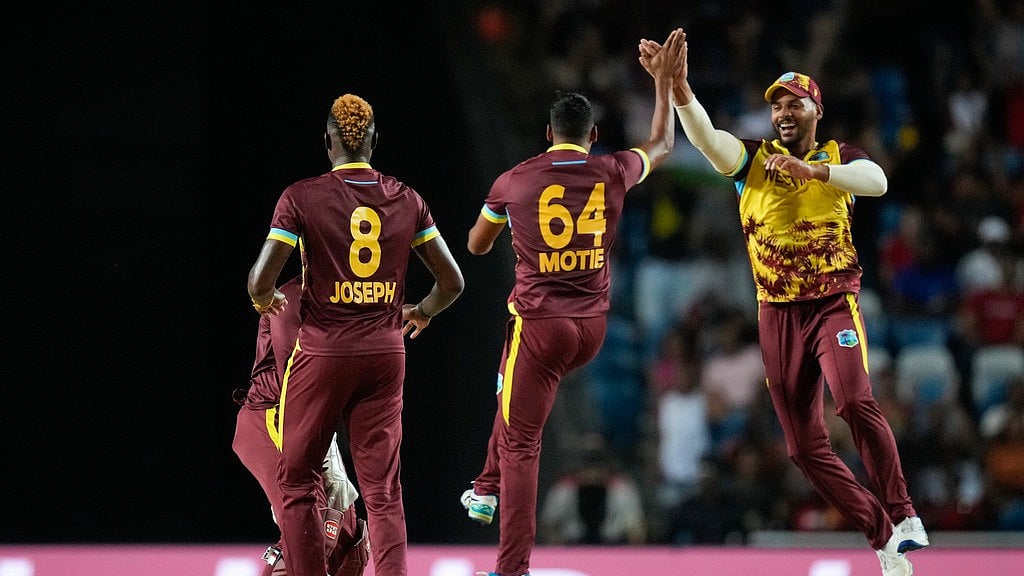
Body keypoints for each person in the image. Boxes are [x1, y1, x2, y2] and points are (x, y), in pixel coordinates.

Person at [639, 32, 928, 576]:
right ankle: (883, 537)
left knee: (853, 401)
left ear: (816, 109)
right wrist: (678, 88)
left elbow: (878, 182)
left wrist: (814, 172)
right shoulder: (751, 162)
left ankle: (905, 513)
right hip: (776, 314)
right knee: (802, 448)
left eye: (794, 102)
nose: (782, 111)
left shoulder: (839, 157)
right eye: (776, 104)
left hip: (832, 305)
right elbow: (707, 139)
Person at [458, 28, 686, 576]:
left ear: (547, 134)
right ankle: (484, 488)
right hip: (593, 328)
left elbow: (475, 244)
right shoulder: (611, 170)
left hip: (542, 326)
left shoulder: (516, 180)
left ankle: (510, 566)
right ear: (593, 136)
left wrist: (509, 225)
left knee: (522, 445)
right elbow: (662, 145)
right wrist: (664, 86)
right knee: (506, 389)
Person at [247, 93, 465, 576]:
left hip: (324, 351)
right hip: (386, 354)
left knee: (298, 479)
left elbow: (259, 280)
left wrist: (266, 300)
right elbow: (452, 282)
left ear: (327, 142)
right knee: (384, 492)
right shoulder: (407, 199)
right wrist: (424, 310)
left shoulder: (301, 197)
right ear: (374, 142)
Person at [233, 275, 370, 576]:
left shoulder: (351, 298)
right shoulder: (293, 296)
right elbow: (296, 380)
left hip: (313, 421)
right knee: (310, 532)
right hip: (274, 417)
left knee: (349, 544)